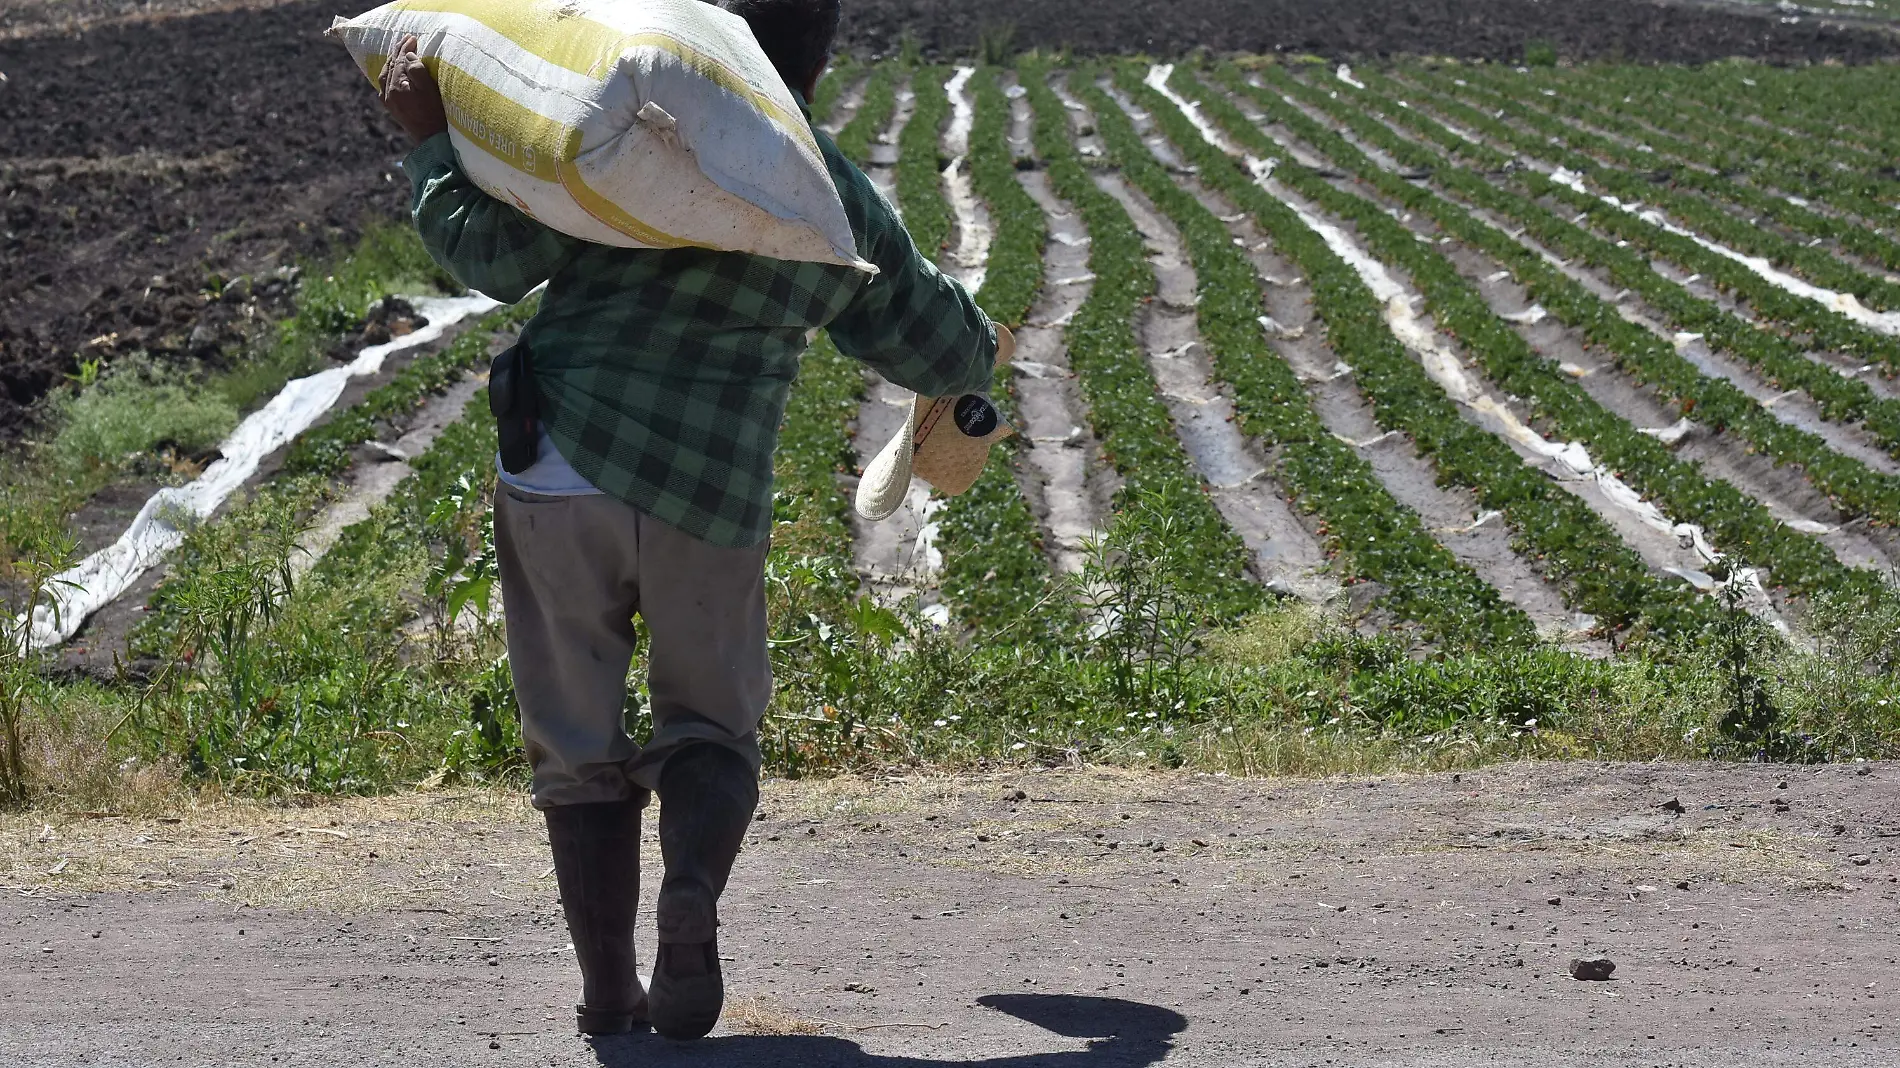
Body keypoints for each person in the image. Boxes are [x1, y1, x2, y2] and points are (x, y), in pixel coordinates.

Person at [373, 0, 1001, 1042]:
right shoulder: (818, 185)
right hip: (708, 497)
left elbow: (485, 256)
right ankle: (692, 894)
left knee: (574, 749)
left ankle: (608, 997)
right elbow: (942, 350)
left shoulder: (613, 140)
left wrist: (430, 143)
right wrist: (979, 342)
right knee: (710, 728)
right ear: (816, 61)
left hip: (558, 468)